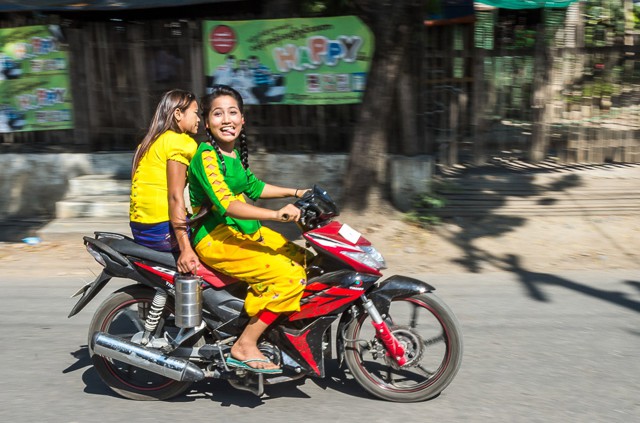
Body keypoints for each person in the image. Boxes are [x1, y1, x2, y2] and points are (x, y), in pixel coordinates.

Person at [188, 85, 308, 373]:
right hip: (215, 239)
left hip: (242, 233)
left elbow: (254, 187)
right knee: (288, 276)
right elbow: (227, 204)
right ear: (207, 122)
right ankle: (244, 345)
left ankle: (282, 330)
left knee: (307, 260)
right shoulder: (207, 156)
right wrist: (277, 214)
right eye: (218, 114)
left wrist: (297, 191)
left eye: (233, 112)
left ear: (243, 119)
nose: (227, 119)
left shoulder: (231, 156)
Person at [129, 89, 201, 274]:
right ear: (178, 114)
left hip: (140, 230)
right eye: (195, 113)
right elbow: (176, 197)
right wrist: (185, 248)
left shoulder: (145, 144)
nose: (199, 119)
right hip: (162, 230)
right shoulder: (180, 143)